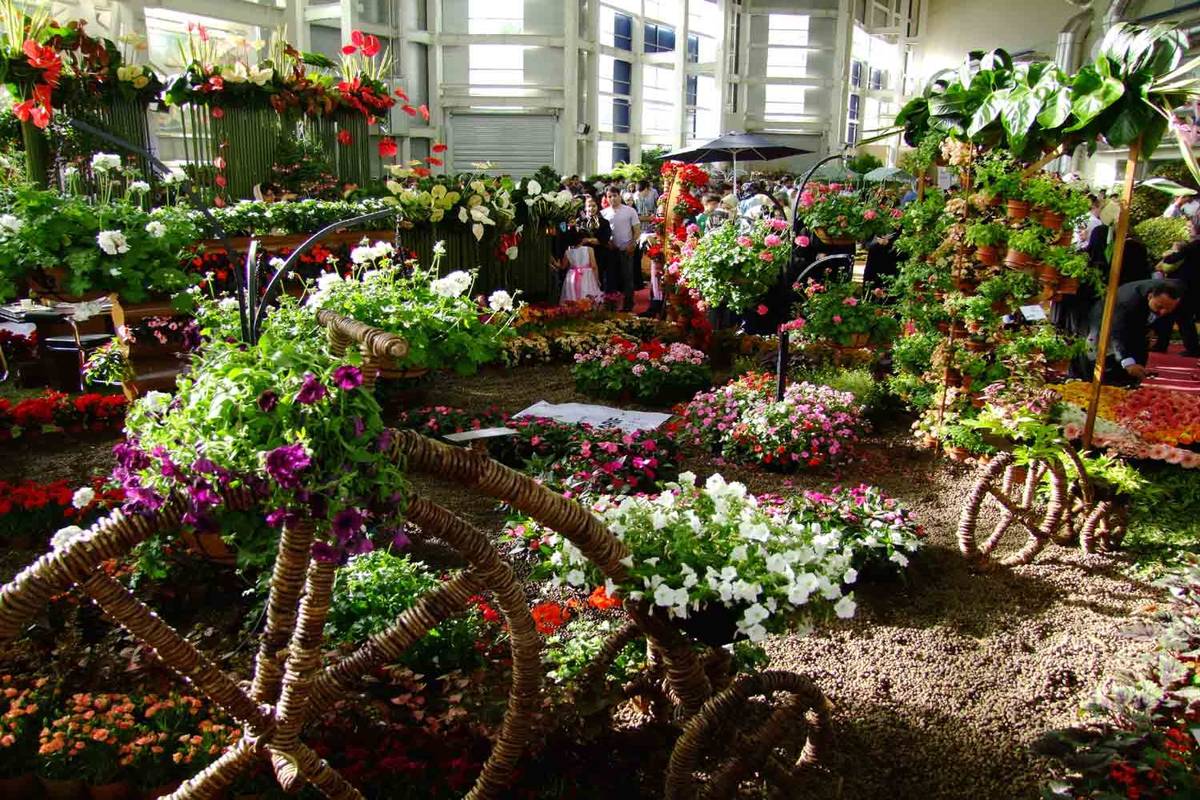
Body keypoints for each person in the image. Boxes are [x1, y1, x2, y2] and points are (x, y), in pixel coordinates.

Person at [1081, 279, 1184, 385]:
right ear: (1150, 296)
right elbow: (1117, 334)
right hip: (1105, 318)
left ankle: (1132, 380)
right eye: (1160, 307)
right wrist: (1128, 363)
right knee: (1105, 356)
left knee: (1138, 347)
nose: (1163, 312)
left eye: (1169, 309)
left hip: (1135, 319)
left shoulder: (1175, 291)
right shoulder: (1127, 303)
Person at [1155, 213, 1200, 356]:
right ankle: (1187, 346)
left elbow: (1171, 259)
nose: (1189, 229)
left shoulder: (1193, 246)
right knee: (1180, 316)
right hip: (1193, 286)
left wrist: (1169, 255)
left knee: (1179, 316)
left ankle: (1190, 347)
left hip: (1185, 286)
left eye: (1191, 226)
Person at [602, 186, 641, 310]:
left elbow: (637, 230)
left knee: (627, 277)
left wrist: (633, 244)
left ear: (620, 196)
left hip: (627, 249)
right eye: (609, 196)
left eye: (615, 196)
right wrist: (608, 242)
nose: (612, 199)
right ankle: (611, 304)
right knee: (611, 278)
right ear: (606, 198)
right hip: (611, 250)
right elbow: (602, 233)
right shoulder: (603, 213)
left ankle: (628, 304)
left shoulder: (630, 211)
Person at [559, 229, 604, 304]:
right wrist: (597, 279)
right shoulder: (589, 249)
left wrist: (556, 264)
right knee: (588, 294)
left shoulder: (568, 252)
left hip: (572, 276)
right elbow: (594, 266)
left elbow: (563, 267)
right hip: (586, 276)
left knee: (572, 297)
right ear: (581, 240)